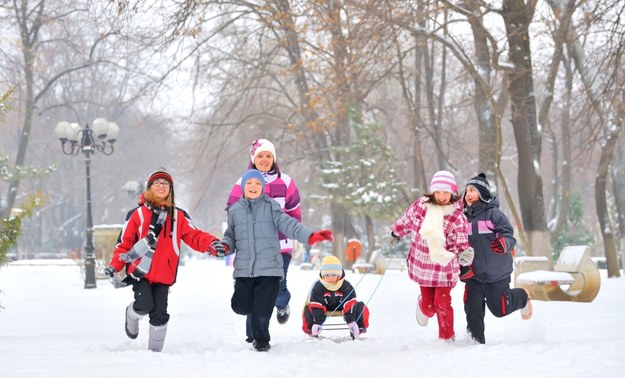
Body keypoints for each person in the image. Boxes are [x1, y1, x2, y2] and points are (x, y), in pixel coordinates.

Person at [104, 168, 226, 352]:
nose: (161, 186)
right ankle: (131, 313)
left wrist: (212, 244)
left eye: (165, 183)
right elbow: (124, 244)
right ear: (149, 188)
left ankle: (155, 356)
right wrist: (115, 266)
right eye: (157, 183)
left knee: (160, 315)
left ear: (171, 189)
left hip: (164, 274)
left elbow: (195, 236)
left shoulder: (179, 216)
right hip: (140, 272)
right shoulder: (136, 214)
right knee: (144, 305)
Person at [221, 169, 333, 352]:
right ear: (243, 187)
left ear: (263, 187)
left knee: (262, 311)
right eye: (249, 183)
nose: (253, 187)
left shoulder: (271, 206)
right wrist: (225, 246)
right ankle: (253, 322)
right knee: (241, 306)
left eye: (258, 184)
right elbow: (230, 236)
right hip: (244, 269)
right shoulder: (234, 211)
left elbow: (290, 225)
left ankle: (261, 342)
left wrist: (310, 237)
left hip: (270, 268)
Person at [390, 170, 474, 342]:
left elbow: (461, 240)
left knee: (442, 303)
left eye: (445, 192)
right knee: (429, 307)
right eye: (438, 192)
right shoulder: (421, 206)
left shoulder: (456, 216)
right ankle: (423, 303)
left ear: (452, 192)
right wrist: (396, 233)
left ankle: (446, 337)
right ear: (432, 192)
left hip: (444, 269)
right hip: (423, 266)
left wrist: (464, 252)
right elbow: (406, 221)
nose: (442, 196)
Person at [226, 138, 301, 327]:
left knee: (278, 285)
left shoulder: (286, 182)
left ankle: (282, 303)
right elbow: (232, 210)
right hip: (252, 247)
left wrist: (296, 236)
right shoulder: (242, 182)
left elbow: (294, 211)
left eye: (269, 155)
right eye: (260, 155)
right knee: (255, 290)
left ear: (274, 158)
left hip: (280, 245)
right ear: (253, 158)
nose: (265, 159)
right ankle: (254, 335)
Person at [462, 173, 533, 344]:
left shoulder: (493, 214)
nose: (468, 194)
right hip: (474, 274)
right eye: (466, 191)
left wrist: (504, 243)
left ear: (482, 192)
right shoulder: (462, 218)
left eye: (472, 190)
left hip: (496, 272)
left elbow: (508, 235)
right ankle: (475, 340)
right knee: (472, 309)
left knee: (500, 309)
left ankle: (522, 296)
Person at [302, 255, 370, 339]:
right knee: (307, 309)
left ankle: (359, 327)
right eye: (327, 275)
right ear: (322, 275)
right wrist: (318, 323)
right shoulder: (318, 287)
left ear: (339, 274)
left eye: (333, 275)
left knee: (360, 306)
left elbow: (350, 303)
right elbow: (316, 305)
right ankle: (312, 329)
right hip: (323, 308)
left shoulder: (346, 286)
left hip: (343, 307)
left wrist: (351, 322)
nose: (330, 278)